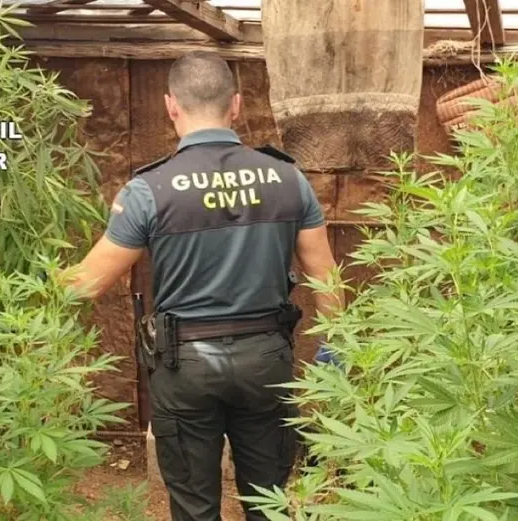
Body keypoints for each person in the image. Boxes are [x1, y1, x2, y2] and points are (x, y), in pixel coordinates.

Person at [60, 51, 343, 521]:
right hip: (266, 362)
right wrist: (335, 350)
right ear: (236, 104)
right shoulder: (288, 179)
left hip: (185, 367)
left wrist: (30, 279)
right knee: (270, 503)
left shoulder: (148, 190)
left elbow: (84, 286)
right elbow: (325, 275)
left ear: (171, 105)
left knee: (194, 508)